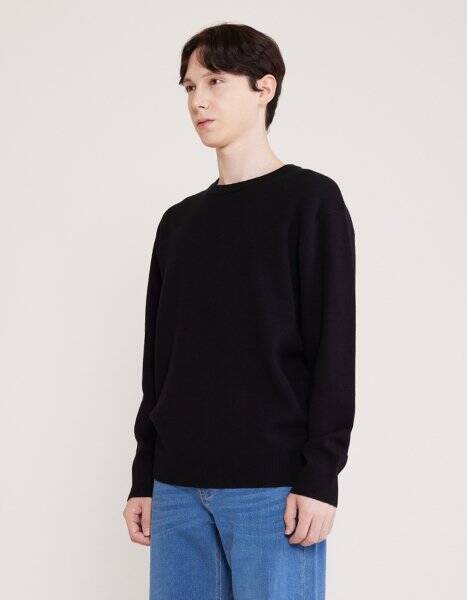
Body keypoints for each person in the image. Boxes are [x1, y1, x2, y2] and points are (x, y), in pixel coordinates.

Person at [122, 22, 356, 600]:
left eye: (216, 81)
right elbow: (160, 361)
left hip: (271, 489)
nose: (197, 101)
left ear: (264, 88)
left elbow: (333, 346)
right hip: (176, 489)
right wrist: (144, 474)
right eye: (189, 86)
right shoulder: (178, 223)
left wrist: (320, 475)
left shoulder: (310, 201)